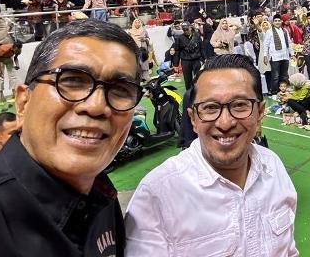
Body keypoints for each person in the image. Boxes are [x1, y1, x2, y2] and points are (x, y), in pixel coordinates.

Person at [0, 19, 142, 256]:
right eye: (72, 81)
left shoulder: (102, 194)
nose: (97, 106)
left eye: (120, 90)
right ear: (23, 102)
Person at [125, 54, 298, 255]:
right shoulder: (157, 194)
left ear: (260, 113)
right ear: (193, 119)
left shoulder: (273, 167)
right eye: (210, 108)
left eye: (239, 105)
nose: (225, 123)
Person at [263, 14, 292, 96]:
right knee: (275, 77)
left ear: (281, 21)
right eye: (275, 21)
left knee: (285, 76)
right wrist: (265, 56)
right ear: (273, 22)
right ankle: (274, 93)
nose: (277, 22)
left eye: (279, 21)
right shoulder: (269, 32)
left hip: (285, 56)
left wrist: (292, 54)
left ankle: (284, 92)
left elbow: (289, 43)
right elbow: (266, 45)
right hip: (275, 57)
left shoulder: (285, 31)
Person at [0, 40, 22, 105]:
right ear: (13, 48)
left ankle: (14, 94)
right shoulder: (3, 49)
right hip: (0, 59)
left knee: (13, 76)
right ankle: (1, 96)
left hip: (9, 58)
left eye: (19, 50)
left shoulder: (19, 50)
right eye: (16, 50)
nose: (17, 51)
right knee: (1, 77)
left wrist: (17, 65)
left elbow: (15, 57)